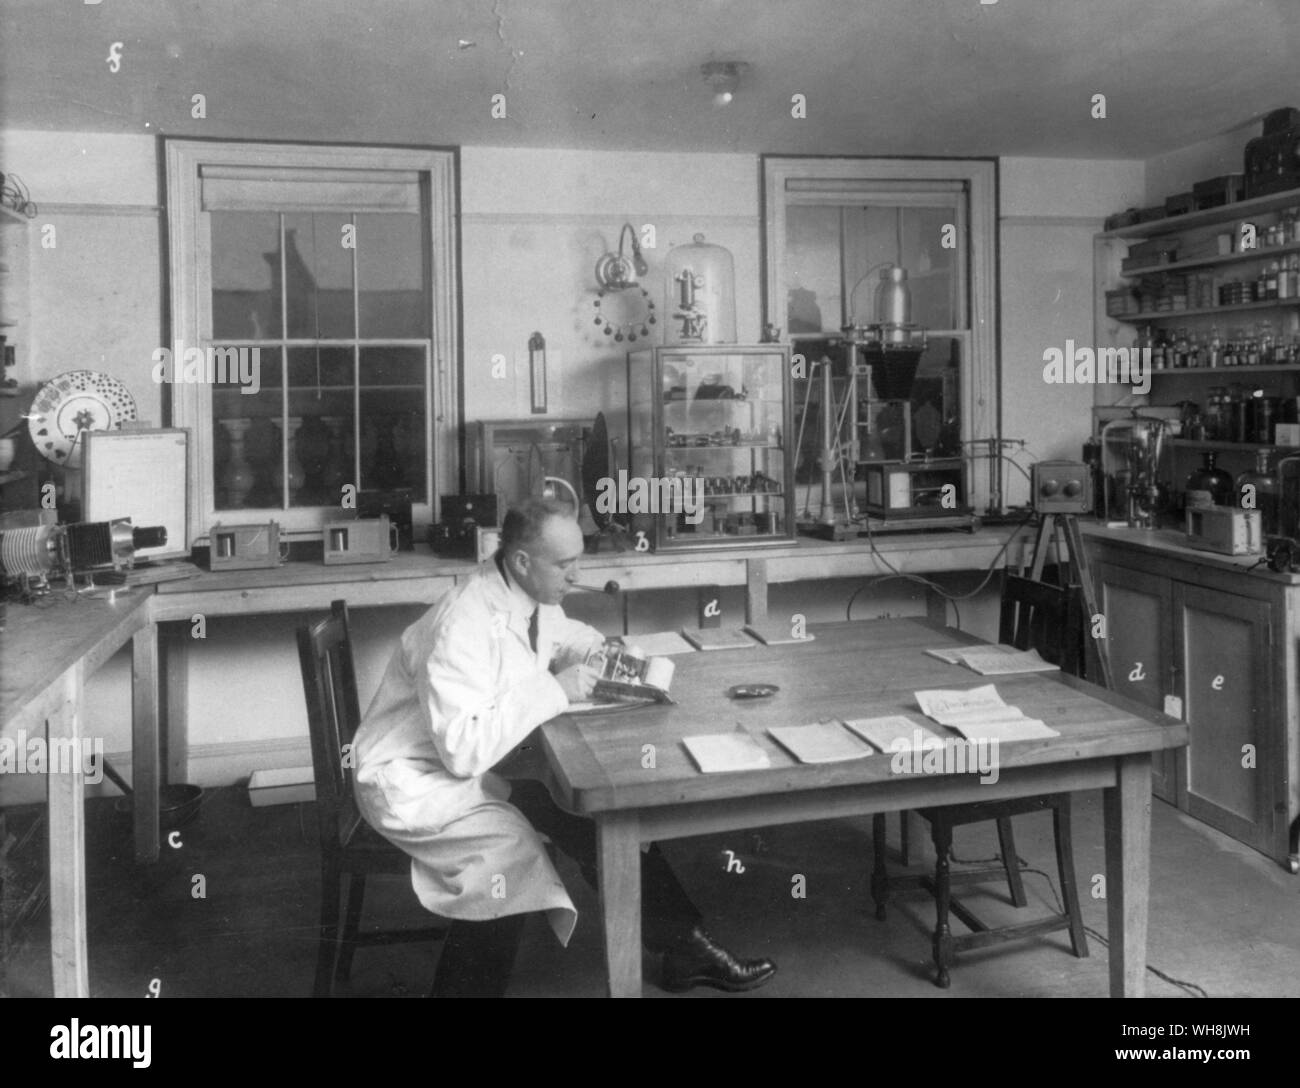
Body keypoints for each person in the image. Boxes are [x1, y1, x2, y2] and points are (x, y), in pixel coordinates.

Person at [352, 497, 776, 997]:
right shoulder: (462, 624)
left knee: (593, 817)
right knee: (506, 862)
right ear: (522, 560)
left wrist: (599, 649)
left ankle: (685, 949)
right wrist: (557, 690)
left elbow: (559, 636)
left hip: (459, 770)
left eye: (578, 559)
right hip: (411, 781)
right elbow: (463, 750)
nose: (576, 575)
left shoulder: (521, 593)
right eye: (565, 564)